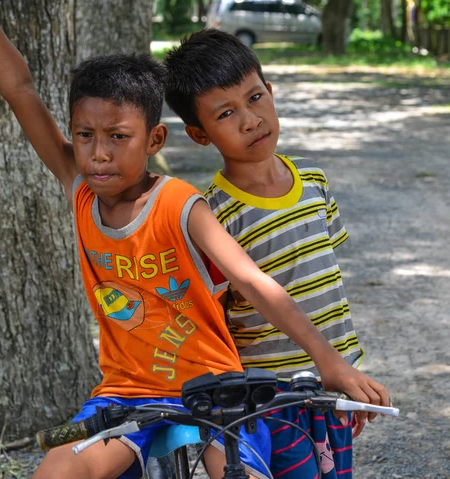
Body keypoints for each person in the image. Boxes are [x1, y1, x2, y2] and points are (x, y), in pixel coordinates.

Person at [0, 0, 388, 477]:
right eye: (84, 135)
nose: (99, 153)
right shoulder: (80, 187)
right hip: (123, 398)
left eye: (118, 136)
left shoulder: (183, 204)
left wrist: (328, 361)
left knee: (241, 472)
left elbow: (252, 280)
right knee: (54, 464)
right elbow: (20, 88)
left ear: (154, 141)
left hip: (215, 393)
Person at [163, 28, 391, 478]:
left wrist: (348, 369)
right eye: (226, 113)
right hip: (271, 399)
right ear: (198, 134)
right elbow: (216, 316)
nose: (250, 120)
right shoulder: (215, 217)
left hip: (332, 385)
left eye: (255, 98)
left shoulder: (313, 181)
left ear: (270, 91)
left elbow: (327, 284)